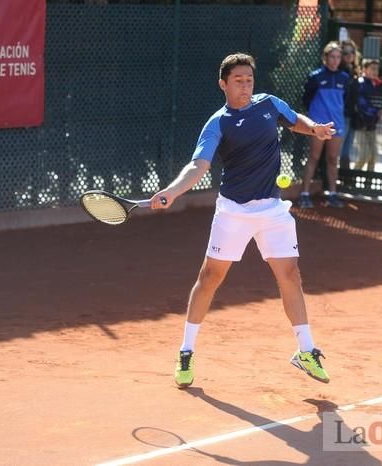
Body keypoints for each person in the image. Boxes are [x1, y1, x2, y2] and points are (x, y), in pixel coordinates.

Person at [150, 53, 335, 388]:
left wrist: (315, 129)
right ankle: (186, 352)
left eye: (249, 80)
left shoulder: (268, 104)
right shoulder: (218, 122)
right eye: (238, 81)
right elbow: (199, 166)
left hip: (272, 210)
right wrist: (173, 191)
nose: (246, 86)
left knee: (290, 274)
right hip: (234, 211)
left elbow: (295, 121)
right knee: (210, 278)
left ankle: (306, 350)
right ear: (223, 84)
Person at [299, 42, 350, 209]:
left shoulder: (345, 78)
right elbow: (306, 99)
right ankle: (305, 194)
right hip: (318, 125)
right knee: (313, 157)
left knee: (332, 159)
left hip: (337, 125)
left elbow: (347, 100)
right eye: (332, 57)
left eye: (338, 57)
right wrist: (315, 120)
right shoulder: (315, 77)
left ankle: (333, 194)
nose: (335, 60)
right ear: (325, 58)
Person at [351, 59, 382, 171]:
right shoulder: (361, 84)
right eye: (372, 68)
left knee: (374, 155)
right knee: (365, 154)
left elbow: (378, 102)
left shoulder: (377, 85)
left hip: (372, 125)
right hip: (360, 125)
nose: (375, 71)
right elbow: (362, 105)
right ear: (364, 69)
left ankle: (368, 184)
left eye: (377, 69)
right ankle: (352, 178)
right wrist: (376, 111)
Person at [340, 40, 360, 170]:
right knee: (339, 148)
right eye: (345, 52)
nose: (349, 55)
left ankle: (345, 176)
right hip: (341, 115)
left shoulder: (354, 71)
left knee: (347, 148)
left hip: (352, 115)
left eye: (351, 52)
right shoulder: (340, 72)